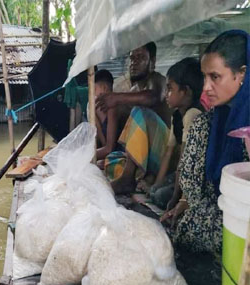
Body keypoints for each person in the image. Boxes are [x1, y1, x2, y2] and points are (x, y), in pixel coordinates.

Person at [161, 30, 249, 254]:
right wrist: (184, 203)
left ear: (242, 75)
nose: (206, 87)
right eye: (204, 77)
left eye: (215, 77)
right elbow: (193, 186)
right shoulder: (205, 124)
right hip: (207, 216)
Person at [96, 42, 172, 194]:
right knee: (106, 162)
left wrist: (117, 98)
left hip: (164, 156)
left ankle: (128, 178)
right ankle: (139, 177)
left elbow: (154, 97)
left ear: (153, 61)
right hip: (146, 159)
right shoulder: (133, 90)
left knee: (139, 111)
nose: (133, 63)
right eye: (132, 58)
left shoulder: (158, 80)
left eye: (140, 57)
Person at [148, 58, 204, 209]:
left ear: (185, 91)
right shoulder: (177, 115)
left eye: (170, 88)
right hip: (181, 175)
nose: (166, 94)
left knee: (160, 197)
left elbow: (183, 159)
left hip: (194, 177)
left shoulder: (192, 115)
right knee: (154, 191)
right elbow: (168, 152)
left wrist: (175, 198)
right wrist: (157, 183)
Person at [94, 69, 127, 161]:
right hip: (109, 153)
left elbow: (109, 149)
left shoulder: (113, 107)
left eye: (94, 89)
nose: (93, 94)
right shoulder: (96, 108)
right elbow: (104, 144)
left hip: (122, 154)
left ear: (104, 88)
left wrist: (86, 157)